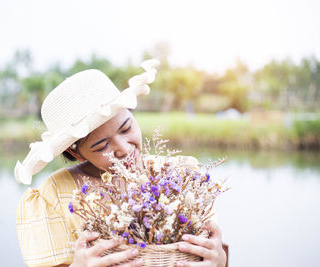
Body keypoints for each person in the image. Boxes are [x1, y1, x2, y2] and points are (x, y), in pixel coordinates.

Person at [15, 60, 227, 267]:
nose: (124, 148)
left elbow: (212, 249)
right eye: (101, 146)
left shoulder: (183, 174)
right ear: (76, 153)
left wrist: (220, 261)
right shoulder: (54, 196)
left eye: (126, 129)